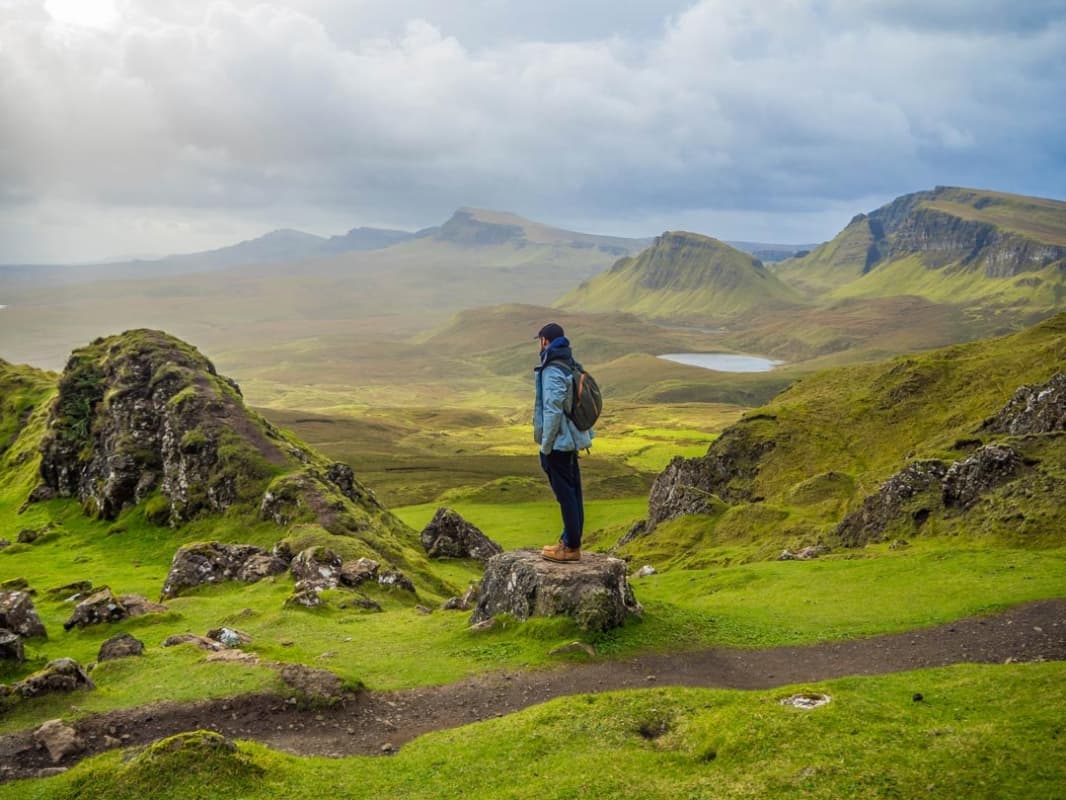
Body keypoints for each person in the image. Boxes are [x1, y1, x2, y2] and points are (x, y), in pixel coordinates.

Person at [533, 322, 593, 563]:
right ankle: (570, 540)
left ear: (545, 341)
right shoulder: (568, 362)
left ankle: (570, 546)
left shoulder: (552, 368)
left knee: (565, 493)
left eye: (540, 340)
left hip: (559, 443)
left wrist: (545, 446)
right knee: (573, 491)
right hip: (571, 440)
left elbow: (553, 409)